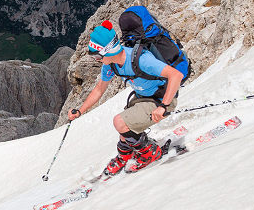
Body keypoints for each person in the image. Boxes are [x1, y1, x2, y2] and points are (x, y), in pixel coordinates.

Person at [68, 20, 185, 174]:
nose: (96, 60)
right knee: (124, 126)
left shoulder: (141, 59)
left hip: (161, 99)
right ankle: (125, 155)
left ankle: (151, 153)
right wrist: (80, 111)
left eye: (97, 56)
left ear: (108, 51)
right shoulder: (111, 65)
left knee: (120, 122)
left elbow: (176, 75)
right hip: (143, 97)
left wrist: (164, 106)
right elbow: (99, 88)